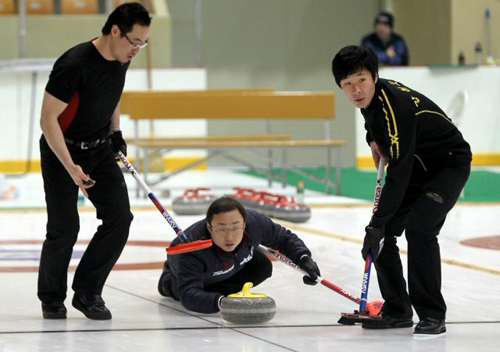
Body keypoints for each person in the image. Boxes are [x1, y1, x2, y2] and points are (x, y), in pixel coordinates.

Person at [331, 46, 471, 335]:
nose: (356, 90)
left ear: (375, 77)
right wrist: (373, 140)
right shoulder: (370, 101)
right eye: (347, 84)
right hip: (418, 169)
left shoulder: (396, 105)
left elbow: (399, 173)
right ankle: (397, 309)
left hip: (447, 165)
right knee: (381, 235)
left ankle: (432, 313)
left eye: (361, 80)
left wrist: (377, 223)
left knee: (419, 229)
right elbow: (374, 125)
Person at [38, 3, 151, 320]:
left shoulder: (121, 57)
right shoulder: (74, 64)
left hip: (100, 148)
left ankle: (88, 293)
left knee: (119, 218)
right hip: (62, 149)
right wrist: (71, 167)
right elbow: (48, 121)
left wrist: (116, 131)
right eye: (135, 42)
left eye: (143, 44)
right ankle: (51, 297)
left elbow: (112, 95)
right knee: (64, 229)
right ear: (116, 31)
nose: (137, 50)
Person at [158, 197, 321, 314]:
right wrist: (224, 303)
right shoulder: (190, 248)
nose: (229, 237)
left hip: (232, 263)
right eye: (222, 229)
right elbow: (188, 295)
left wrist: (304, 258)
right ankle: (169, 284)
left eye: (236, 228)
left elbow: (284, 238)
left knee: (262, 266)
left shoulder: (255, 223)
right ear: (209, 227)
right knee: (188, 291)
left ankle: (209, 292)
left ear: (244, 224)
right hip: (195, 269)